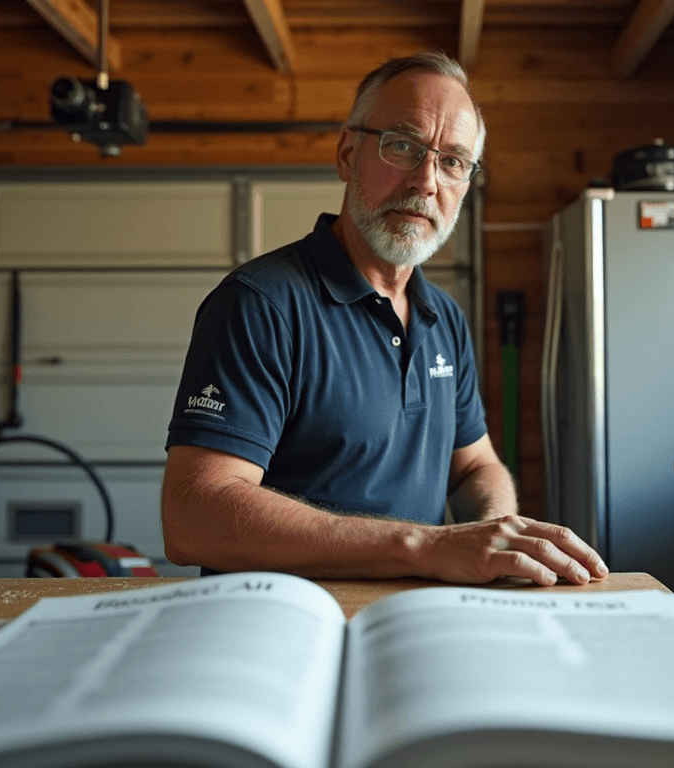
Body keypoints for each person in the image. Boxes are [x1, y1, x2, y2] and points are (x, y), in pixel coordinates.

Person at [162, 51, 606, 587]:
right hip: (280, 626)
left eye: (453, 162)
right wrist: (425, 546)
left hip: (412, 620)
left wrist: (495, 534)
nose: (426, 181)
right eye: (403, 146)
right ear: (348, 153)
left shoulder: (444, 318)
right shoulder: (261, 304)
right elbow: (193, 515)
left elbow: (474, 466)